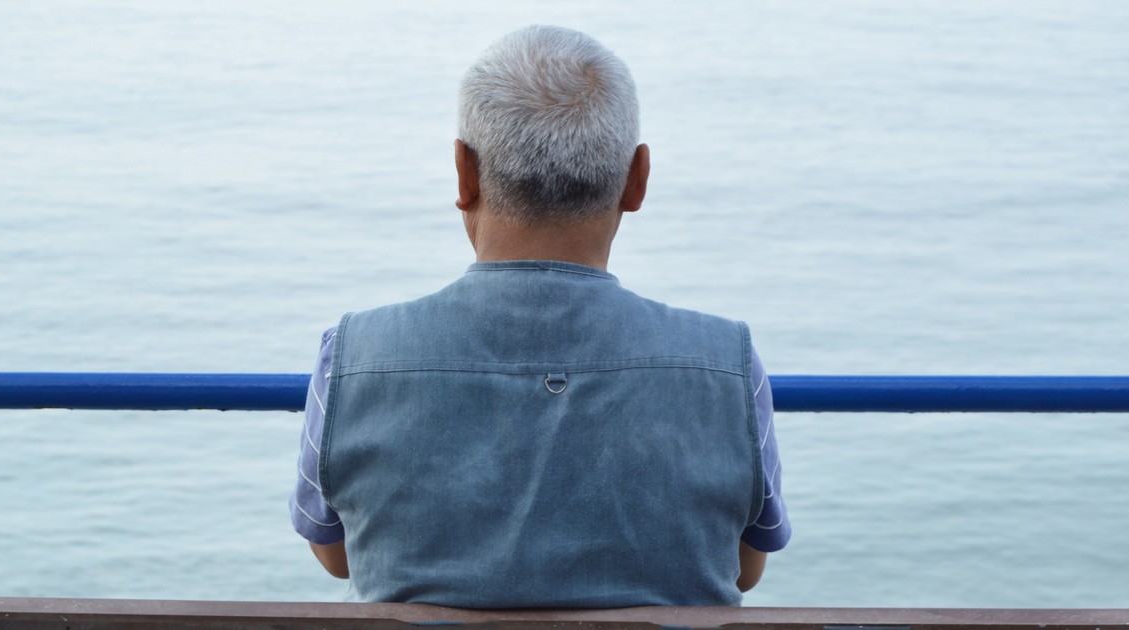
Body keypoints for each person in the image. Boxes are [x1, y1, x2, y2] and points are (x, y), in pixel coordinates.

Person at [290, 24, 790, 607]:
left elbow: (335, 556)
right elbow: (745, 568)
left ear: (464, 173)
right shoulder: (729, 363)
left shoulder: (352, 355)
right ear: (637, 180)